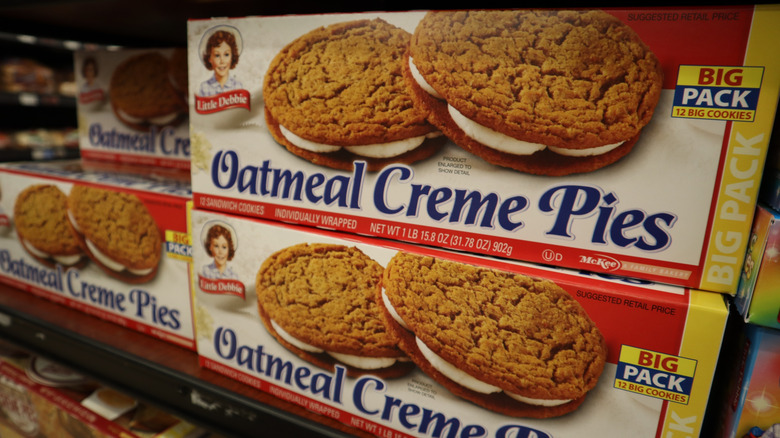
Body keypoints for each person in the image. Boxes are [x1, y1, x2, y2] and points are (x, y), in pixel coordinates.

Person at [199, 29, 243, 97]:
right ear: (210, 59)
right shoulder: (204, 87)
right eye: (217, 55)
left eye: (226, 55)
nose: (222, 61)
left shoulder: (237, 86)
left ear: (232, 57)